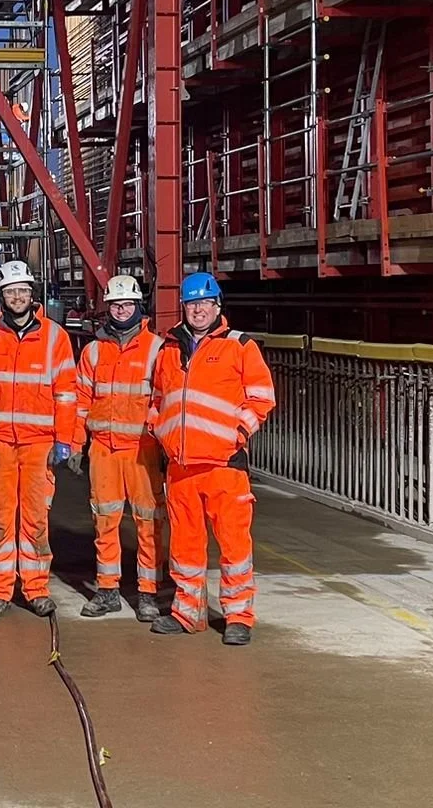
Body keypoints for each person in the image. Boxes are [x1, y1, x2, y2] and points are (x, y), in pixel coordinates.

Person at [149, 272, 275, 645]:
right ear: (184, 307)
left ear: (218, 305)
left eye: (205, 302)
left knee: (234, 544)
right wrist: (160, 433)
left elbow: (262, 398)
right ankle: (188, 613)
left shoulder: (240, 346)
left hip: (224, 466)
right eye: (192, 303)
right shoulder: (168, 350)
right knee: (185, 545)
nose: (198, 309)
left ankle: (238, 616)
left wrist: (237, 435)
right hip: (182, 467)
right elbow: (157, 400)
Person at [0, 260, 80, 617]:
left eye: (23, 291)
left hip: (39, 444)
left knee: (35, 518)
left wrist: (66, 440)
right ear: (2, 296)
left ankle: (35, 588)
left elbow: (66, 393)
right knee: (0, 517)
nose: (17, 297)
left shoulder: (54, 337)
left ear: (33, 295)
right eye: (11, 291)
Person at [75, 274, 167, 621]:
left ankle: (147, 594)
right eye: (115, 305)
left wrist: (161, 441)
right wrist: (74, 444)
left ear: (137, 307)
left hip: (142, 449)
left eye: (126, 304)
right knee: (105, 521)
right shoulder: (94, 351)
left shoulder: (157, 350)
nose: (121, 310)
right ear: (107, 308)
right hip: (102, 449)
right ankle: (108, 589)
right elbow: (80, 400)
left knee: (148, 522)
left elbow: (164, 399)